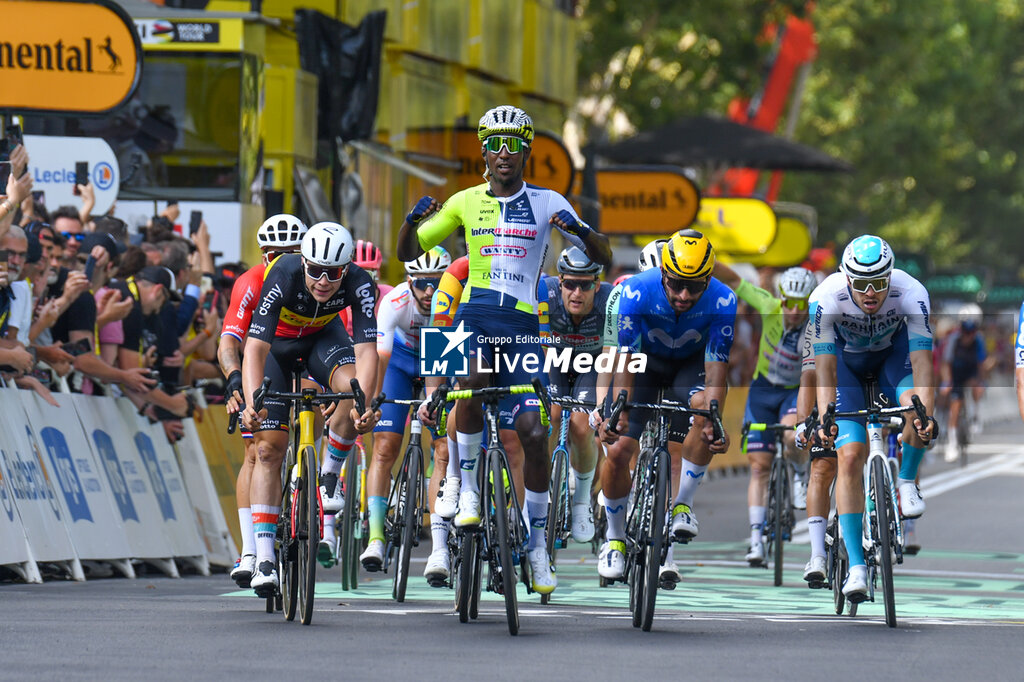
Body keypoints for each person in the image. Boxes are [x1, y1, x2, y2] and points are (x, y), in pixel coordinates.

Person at [396, 105, 612, 595]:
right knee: (464, 387)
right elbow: (408, 252)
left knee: (534, 433)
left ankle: (536, 546)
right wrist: (412, 222)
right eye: (495, 143)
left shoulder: (549, 200)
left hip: (522, 326)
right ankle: (465, 489)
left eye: (514, 143)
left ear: (527, 150)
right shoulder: (465, 200)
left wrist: (578, 231)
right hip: (472, 317)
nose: (504, 153)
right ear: (484, 150)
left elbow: (602, 254)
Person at [240, 222, 381, 597]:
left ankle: (329, 475)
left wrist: (364, 405)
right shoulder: (283, 272)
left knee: (353, 394)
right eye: (315, 270)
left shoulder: (360, 283)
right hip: (277, 349)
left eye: (333, 273)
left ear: (346, 268)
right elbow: (254, 349)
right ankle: (265, 557)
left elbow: (367, 352)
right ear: (303, 261)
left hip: (322, 340)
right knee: (268, 447)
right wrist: (253, 400)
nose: (322, 281)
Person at [594, 230, 733, 584]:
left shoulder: (722, 301)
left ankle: (682, 505)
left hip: (689, 368)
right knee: (619, 449)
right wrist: (619, 411)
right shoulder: (635, 290)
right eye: (675, 285)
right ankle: (614, 538)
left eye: (694, 287)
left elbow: (718, 367)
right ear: (663, 276)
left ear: (708, 281)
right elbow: (625, 358)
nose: (684, 295)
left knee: (708, 413)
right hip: (643, 365)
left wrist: (714, 419)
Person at [813, 235, 936, 602]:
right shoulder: (824, 297)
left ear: (891, 277)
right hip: (845, 368)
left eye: (879, 284)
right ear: (846, 278)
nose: (871, 293)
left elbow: (923, 363)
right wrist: (823, 417)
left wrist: (925, 415)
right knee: (849, 455)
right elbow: (823, 367)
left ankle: (908, 480)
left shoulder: (912, 292)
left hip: (892, 362)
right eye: (862, 284)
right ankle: (856, 567)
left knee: (916, 410)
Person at [218, 214, 307, 587]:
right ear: (263, 255)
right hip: (264, 361)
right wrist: (234, 379)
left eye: (291, 253)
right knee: (257, 453)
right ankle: (251, 549)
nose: (282, 262)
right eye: (274, 255)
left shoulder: (316, 279)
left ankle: (317, 482)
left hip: (306, 354)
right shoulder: (251, 281)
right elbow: (229, 341)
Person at [713, 262, 815, 566]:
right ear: (780, 297)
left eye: (802, 304)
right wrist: (704, 254)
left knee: (789, 434)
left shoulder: (817, 323)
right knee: (759, 468)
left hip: (794, 392)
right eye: (789, 302)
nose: (794, 310)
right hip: (762, 390)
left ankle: (799, 473)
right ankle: (756, 539)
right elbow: (733, 278)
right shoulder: (769, 306)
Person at [359, 246, 452, 571]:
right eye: (422, 283)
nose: (429, 291)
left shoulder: (454, 301)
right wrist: (372, 402)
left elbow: (440, 370)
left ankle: (439, 548)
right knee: (384, 448)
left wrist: (432, 399)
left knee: (443, 447)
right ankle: (376, 538)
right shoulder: (395, 301)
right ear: (409, 280)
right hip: (399, 362)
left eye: (437, 283)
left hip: (439, 355)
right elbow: (380, 359)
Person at [539, 246, 612, 543]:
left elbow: (610, 355)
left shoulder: (610, 301)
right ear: (560, 283)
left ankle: (582, 502)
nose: (577, 292)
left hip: (592, 365)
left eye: (585, 285)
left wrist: (605, 403)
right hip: (553, 360)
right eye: (570, 284)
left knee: (583, 428)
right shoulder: (545, 293)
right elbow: (539, 348)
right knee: (550, 417)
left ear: (597, 284)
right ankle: (541, 491)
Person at [940, 306, 987, 462]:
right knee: (955, 404)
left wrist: (981, 382)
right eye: (965, 332)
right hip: (956, 373)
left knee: (976, 387)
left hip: (971, 372)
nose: (968, 336)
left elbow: (981, 364)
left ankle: (975, 415)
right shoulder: (953, 340)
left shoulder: (979, 340)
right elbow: (945, 363)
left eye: (971, 332)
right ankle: (952, 443)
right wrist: (947, 382)